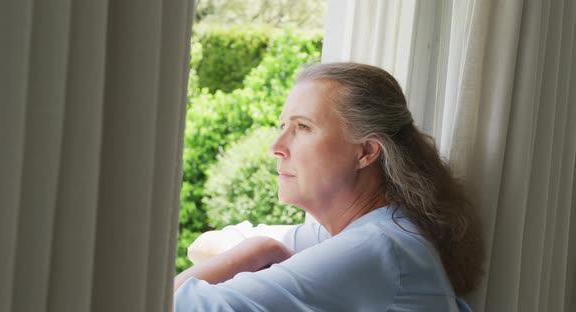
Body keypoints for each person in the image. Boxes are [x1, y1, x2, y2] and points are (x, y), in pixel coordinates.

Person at [173, 62, 484, 311]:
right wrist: (251, 251)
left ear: (365, 151)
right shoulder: (373, 230)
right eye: (283, 126)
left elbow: (163, 304)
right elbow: (205, 243)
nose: (276, 146)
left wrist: (259, 251)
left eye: (303, 127)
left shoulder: (377, 247)